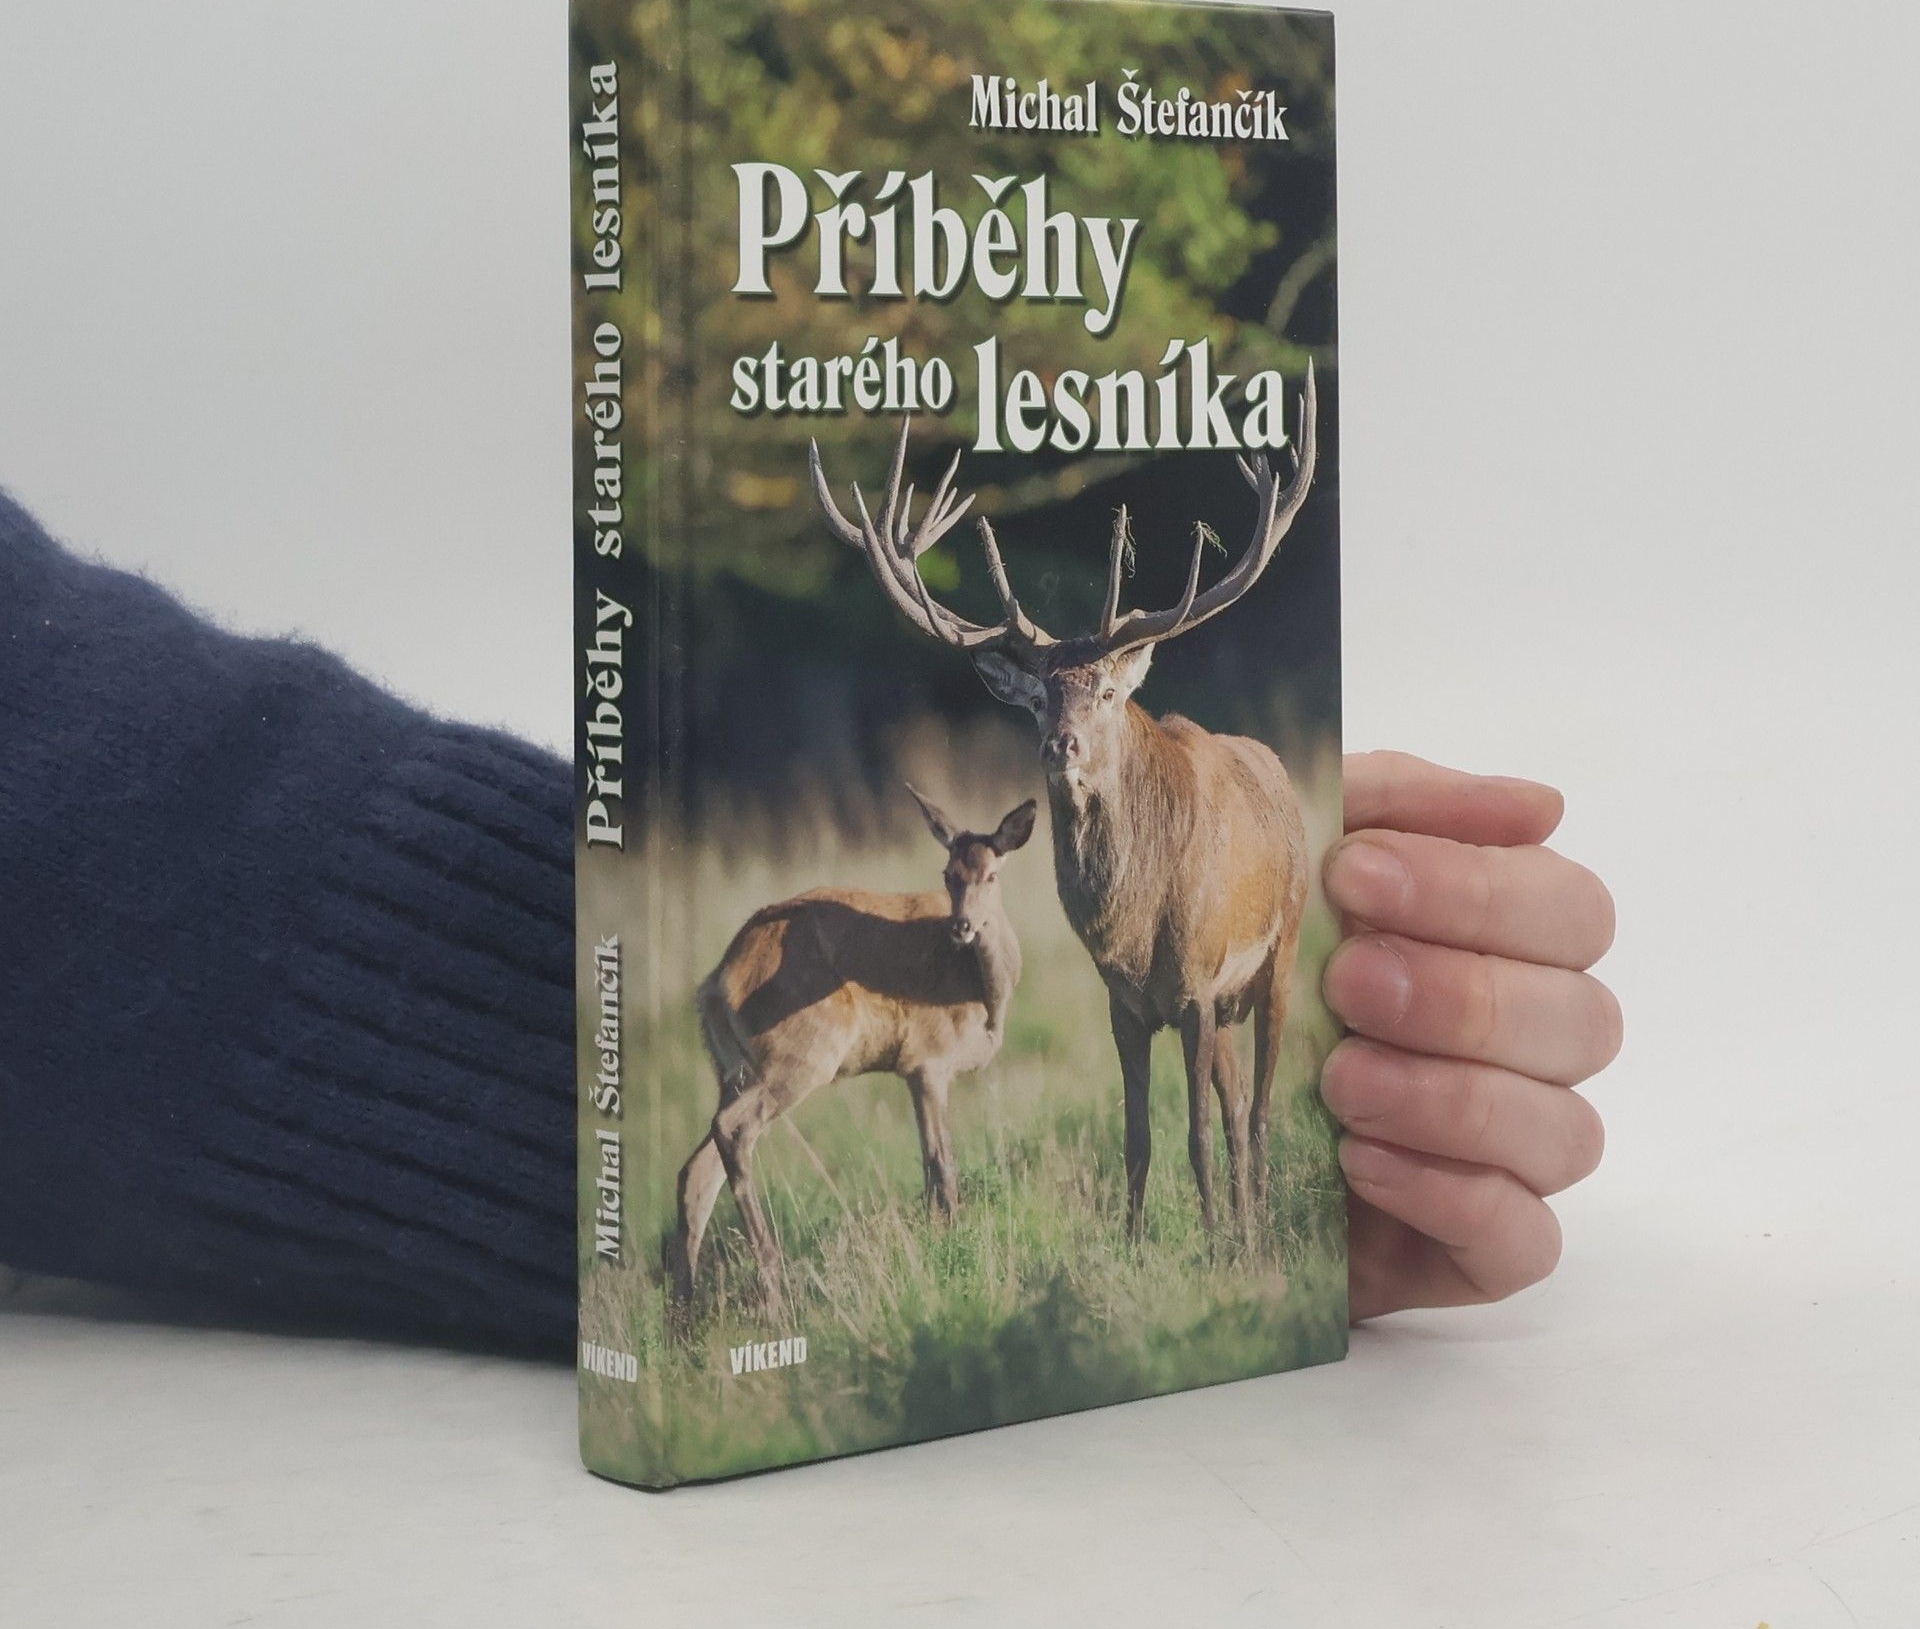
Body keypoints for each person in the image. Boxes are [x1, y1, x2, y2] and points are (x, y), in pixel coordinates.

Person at [0, 488, 1617, 1351]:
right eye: (1048, 707)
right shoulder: (995, 869)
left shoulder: (1188, 800)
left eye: (1092, 701)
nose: (1066, 726)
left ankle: (1214, 1215)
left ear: (1125, 691)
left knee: (1195, 1067)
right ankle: (1094, 1221)